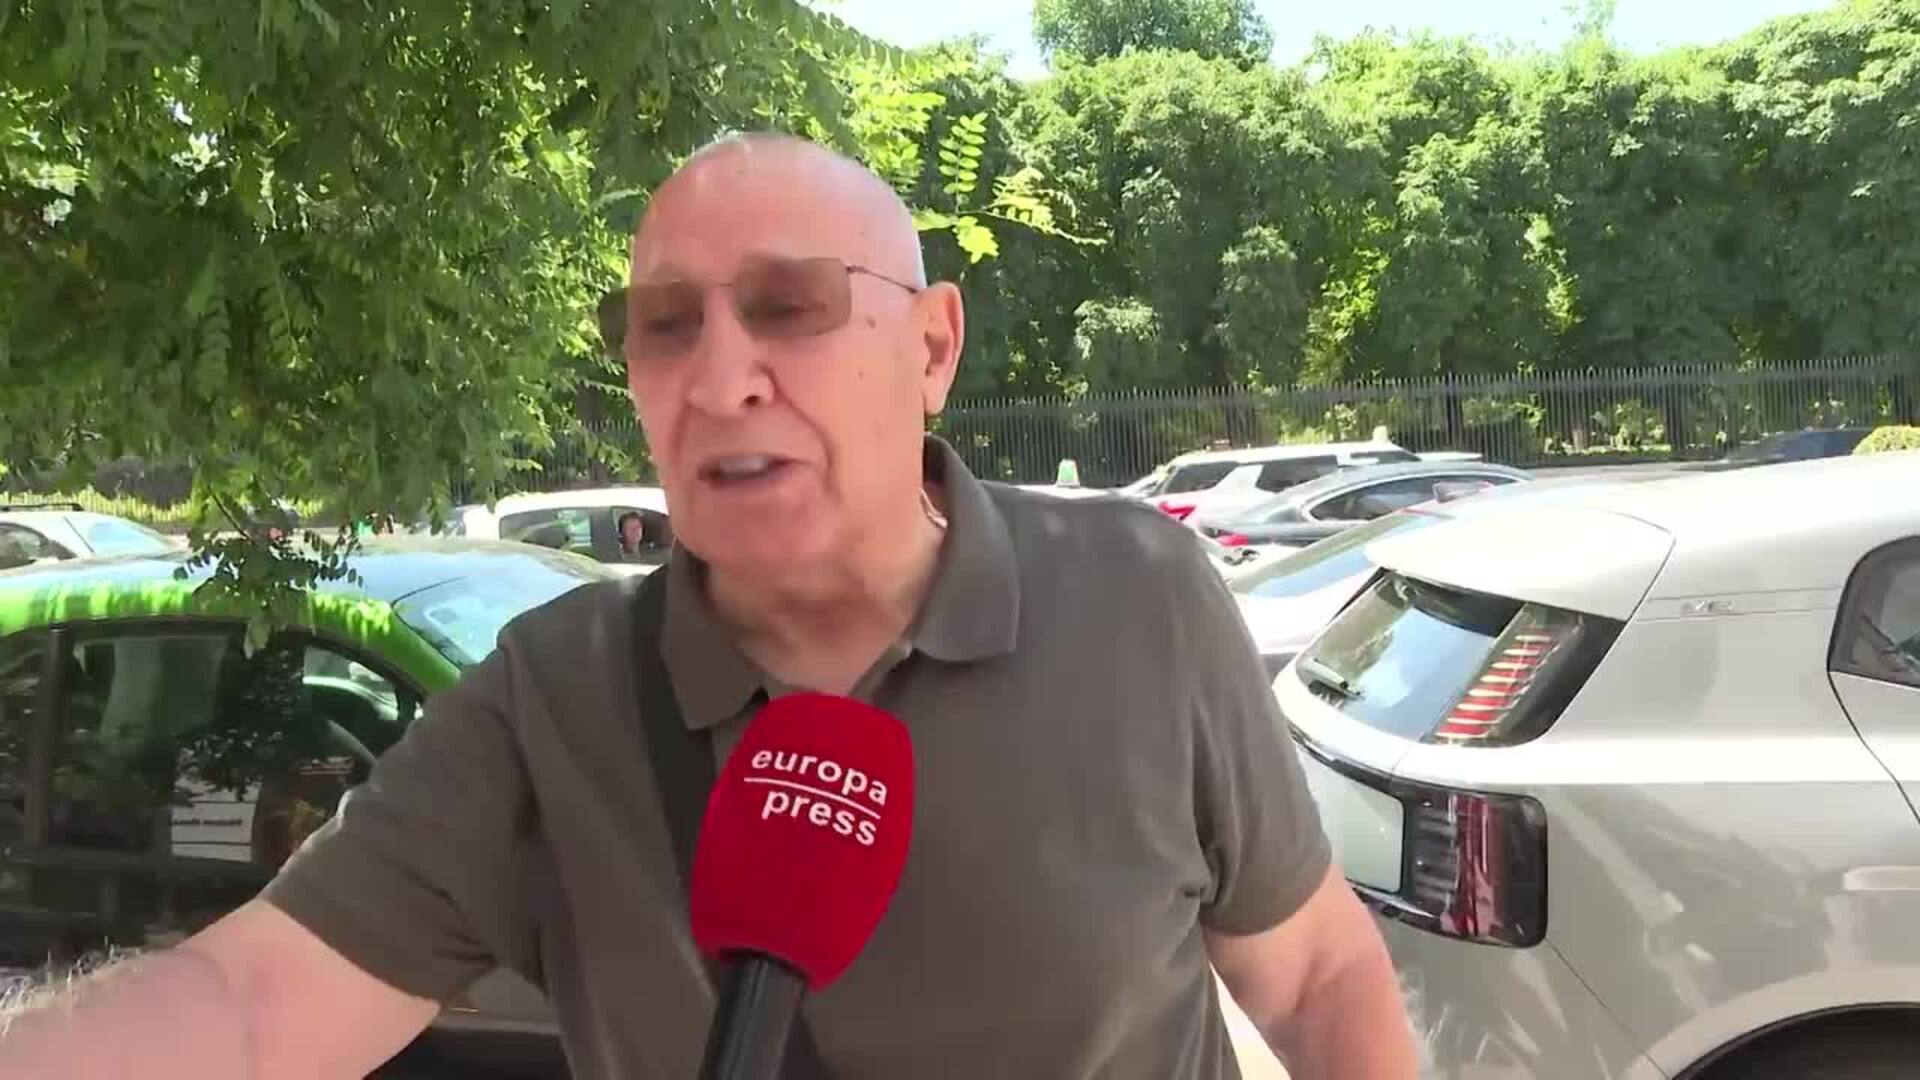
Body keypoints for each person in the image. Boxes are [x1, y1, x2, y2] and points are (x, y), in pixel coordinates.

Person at [0, 133, 1420, 1079]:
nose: (720, 376)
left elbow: (1310, 978)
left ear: (933, 346)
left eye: (791, 306)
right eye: (666, 325)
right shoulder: (549, 702)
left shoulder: (1141, 595)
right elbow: (248, 1010)